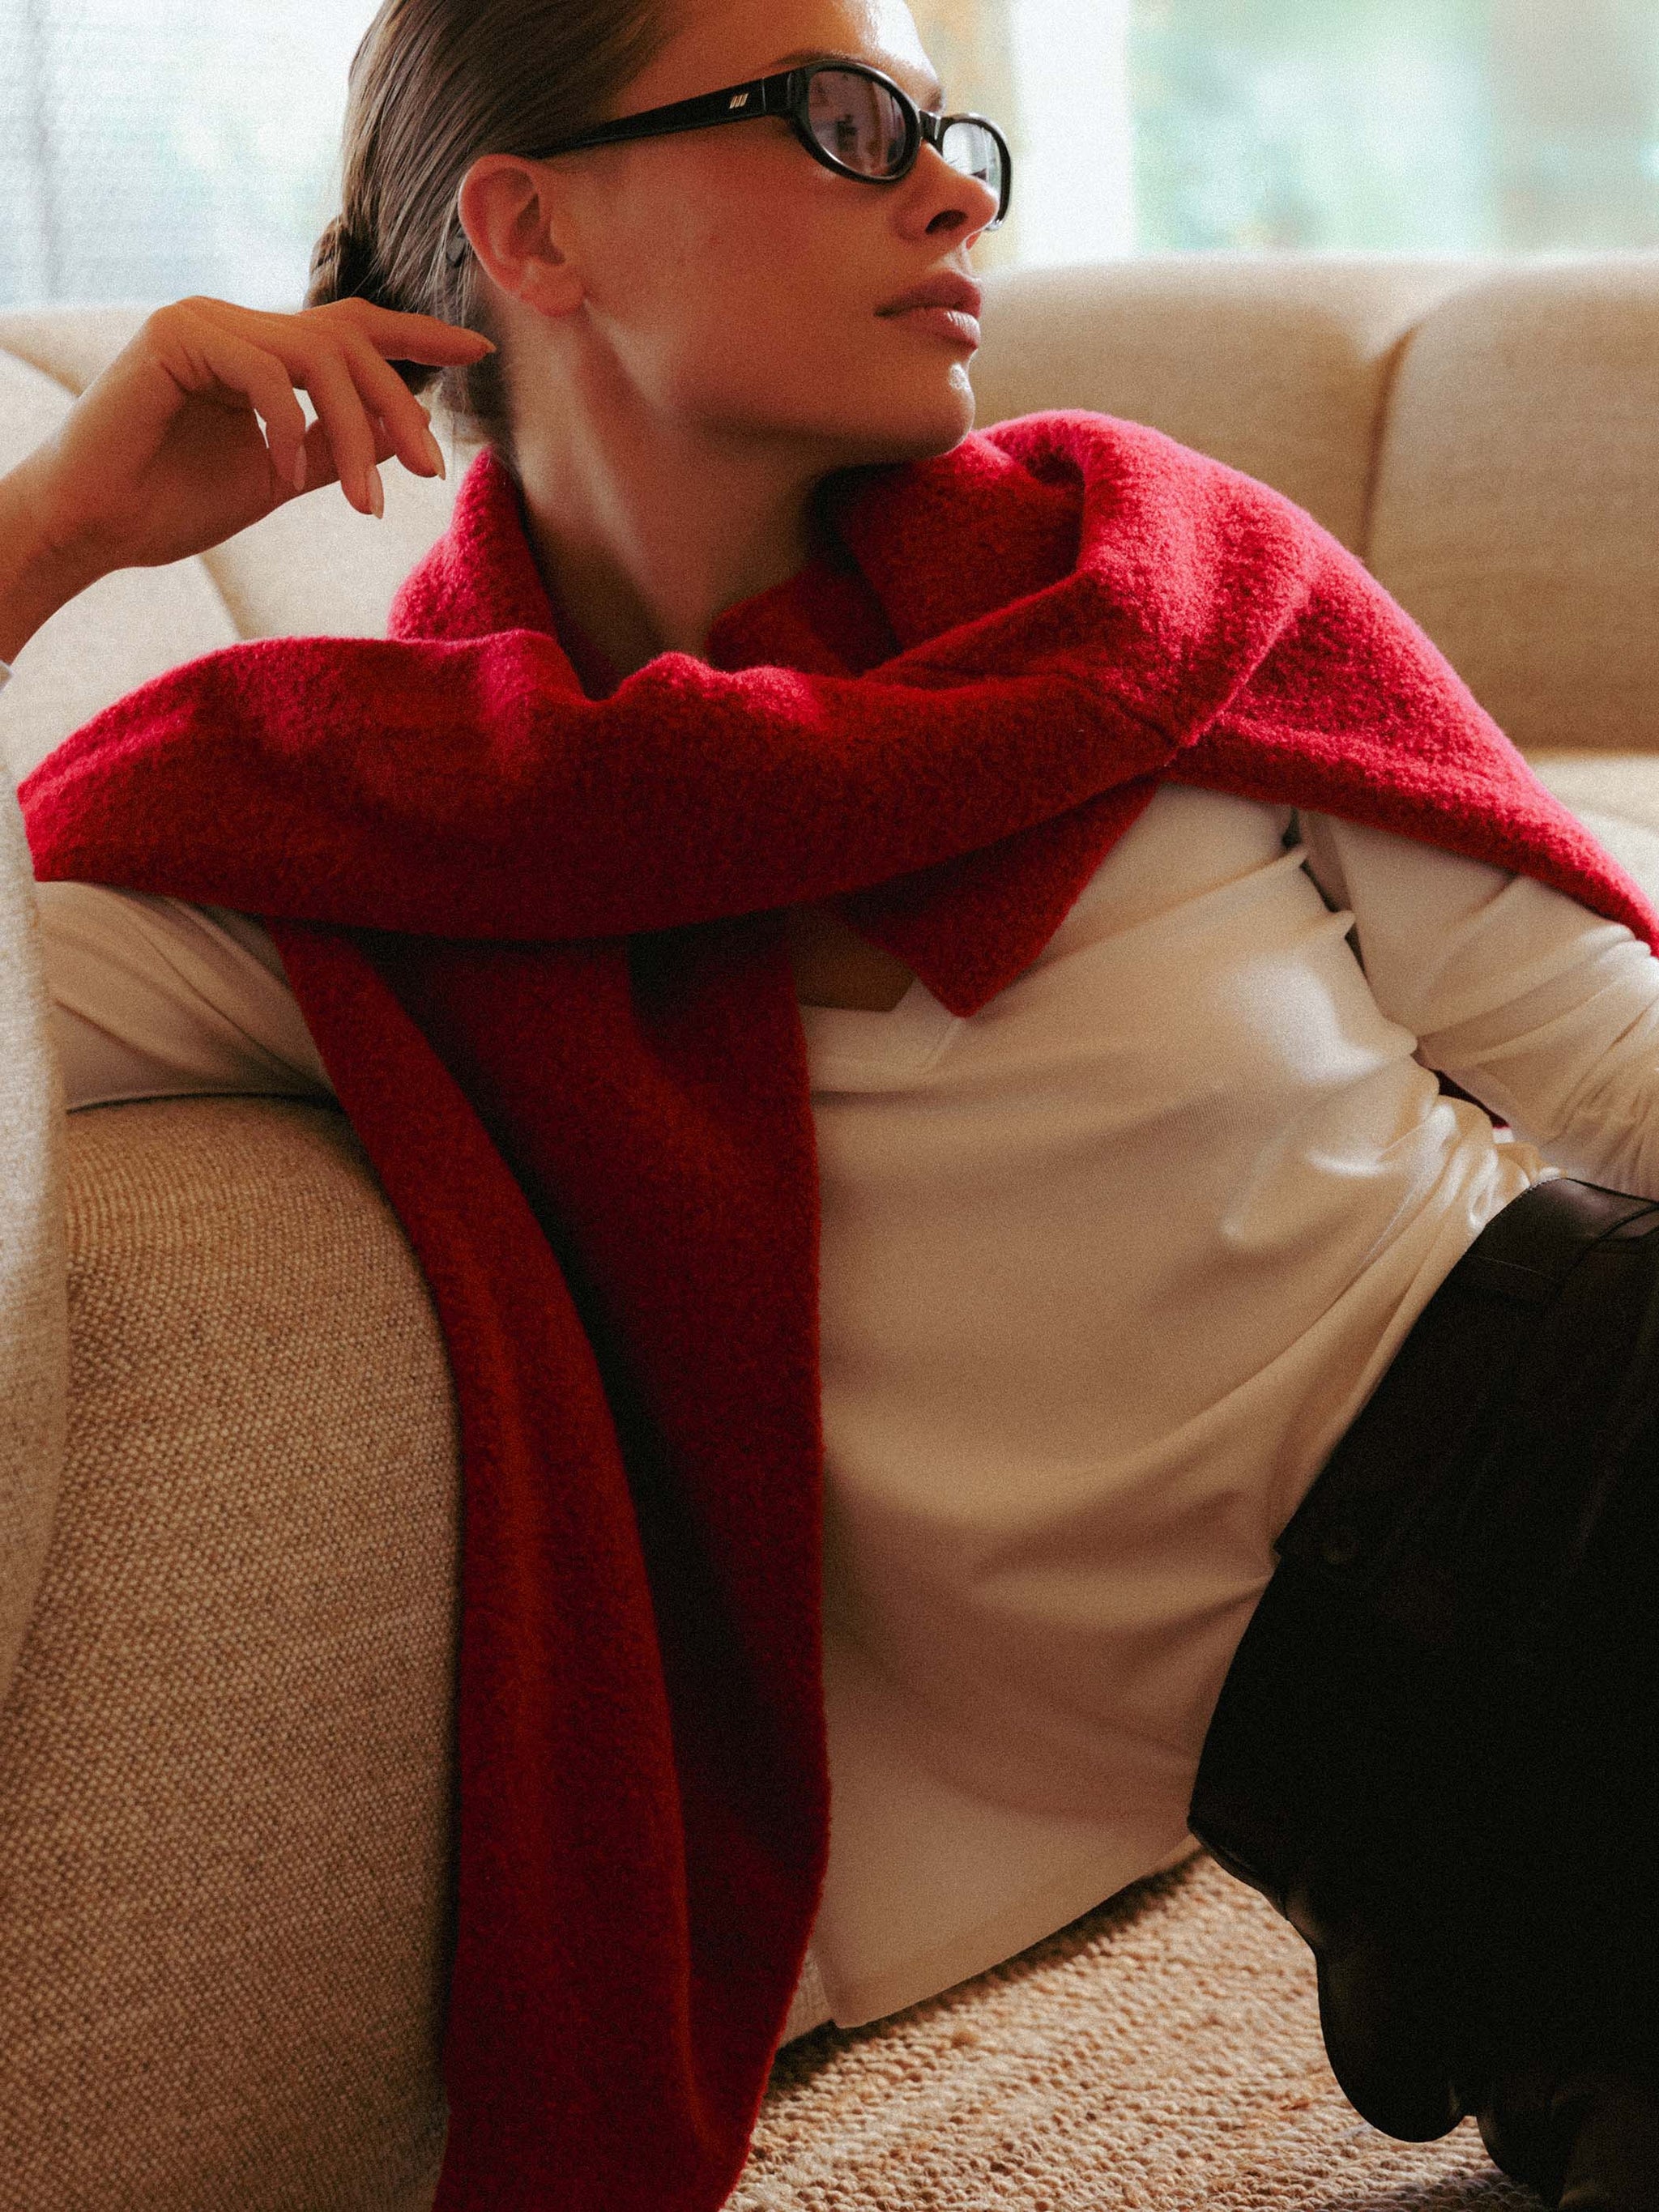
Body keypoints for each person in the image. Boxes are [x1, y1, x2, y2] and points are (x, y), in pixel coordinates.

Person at [2, 0, 1656, 2203]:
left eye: (952, 134)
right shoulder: (372, 836)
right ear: (534, 230)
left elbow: (1609, 1060)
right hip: (1409, 1802)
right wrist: (47, 532)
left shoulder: (1137, 572)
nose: (956, 191)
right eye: (847, 121)